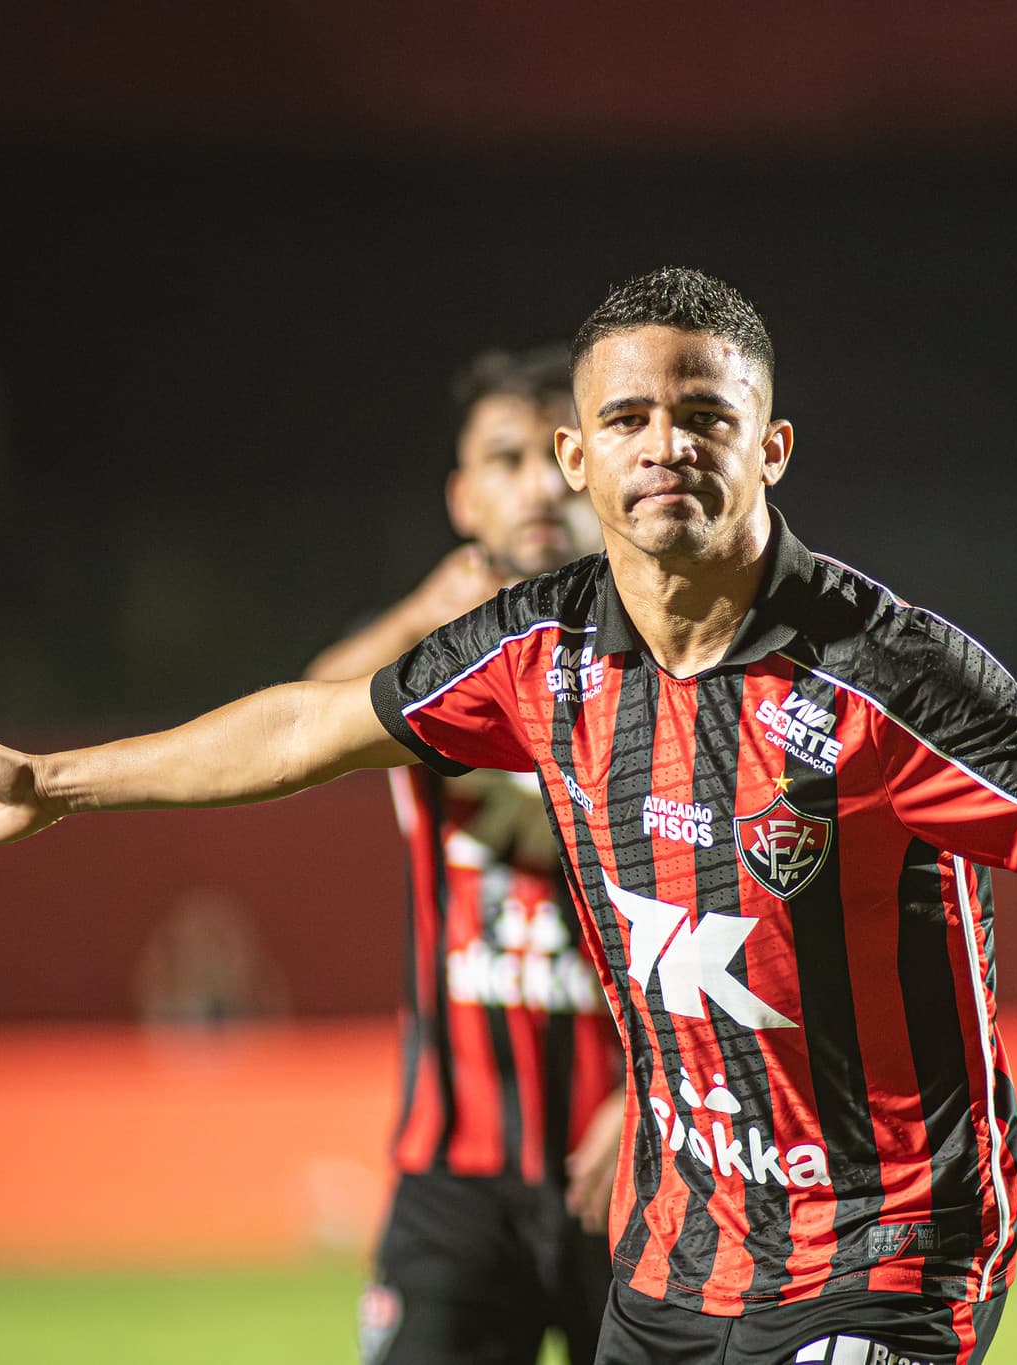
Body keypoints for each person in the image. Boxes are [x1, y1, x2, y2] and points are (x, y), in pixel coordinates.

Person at [0, 267, 1017, 1365]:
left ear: (766, 445)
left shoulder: (882, 674)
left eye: (703, 417)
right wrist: (54, 785)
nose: (665, 449)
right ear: (578, 458)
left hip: (885, 1242)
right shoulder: (540, 646)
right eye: (630, 420)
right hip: (677, 1252)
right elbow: (312, 724)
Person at [302, 347, 622, 1365]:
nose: (535, 484)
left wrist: (656, 1096)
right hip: (453, 1176)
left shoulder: (663, 667)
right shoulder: (427, 673)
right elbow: (305, 721)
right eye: (505, 457)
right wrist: (414, 615)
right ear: (462, 495)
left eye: (554, 455)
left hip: (638, 1162)